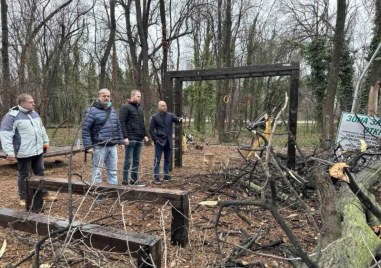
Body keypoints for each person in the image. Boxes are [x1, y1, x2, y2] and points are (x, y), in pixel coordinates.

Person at [0, 94, 57, 206]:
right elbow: (5, 135)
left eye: (33, 101)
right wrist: (9, 152)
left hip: (38, 150)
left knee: (40, 172)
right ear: (22, 103)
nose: (34, 104)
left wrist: (45, 142)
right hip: (23, 151)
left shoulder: (34, 113)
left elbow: (41, 128)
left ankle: (43, 194)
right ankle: (24, 197)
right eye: (31, 102)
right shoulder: (11, 116)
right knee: (24, 175)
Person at [82, 88, 124, 185]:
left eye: (108, 96)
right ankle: (97, 196)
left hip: (112, 146)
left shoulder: (112, 110)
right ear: (99, 97)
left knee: (113, 171)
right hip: (99, 146)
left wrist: (121, 141)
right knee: (97, 172)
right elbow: (86, 129)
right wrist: (88, 146)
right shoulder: (91, 111)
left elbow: (118, 126)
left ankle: (113, 194)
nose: (106, 98)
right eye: (104, 96)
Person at [119, 90, 149, 186]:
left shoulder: (140, 108)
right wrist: (125, 137)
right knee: (128, 160)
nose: (139, 98)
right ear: (132, 96)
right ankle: (124, 180)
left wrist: (145, 134)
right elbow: (122, 122)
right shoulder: (125, 107)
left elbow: (142, 123)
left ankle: (134, 180)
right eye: (138, 96)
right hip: (130, 138)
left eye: (140, 96)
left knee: (136, 160)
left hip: (139, 139)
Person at [149, 101, 182, 184]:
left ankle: (166, 175)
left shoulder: (170, 115)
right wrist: (156, 139)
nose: (165, 107)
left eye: (165, 105)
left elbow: (177, 119)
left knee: (167, 159)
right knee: (157, 159)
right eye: (163, 106)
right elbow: (151, 129)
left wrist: (180, 119)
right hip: (159, 141)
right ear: (159, 107)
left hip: (168, 141)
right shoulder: (154, 117)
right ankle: (156, 177)